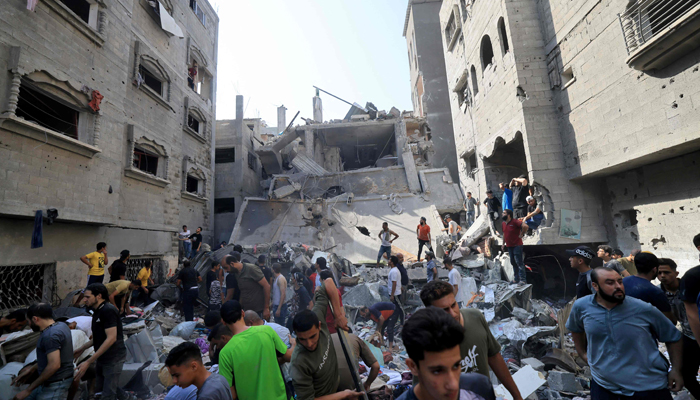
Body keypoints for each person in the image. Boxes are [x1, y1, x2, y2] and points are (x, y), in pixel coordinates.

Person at [566, 267, 683, 399]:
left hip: (647, 386)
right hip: (604, 385)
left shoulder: (643, 308)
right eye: (610, 283)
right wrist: (583, 354)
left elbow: (673, 337)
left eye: (620, 281)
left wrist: (676, 370)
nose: (618, 286)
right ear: (595, 286)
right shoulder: (582, 306)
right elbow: (575, 329)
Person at [419, 280, 522, 400]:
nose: (453, 314)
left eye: (453, 305)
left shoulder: (475, 317)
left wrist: (517, 396)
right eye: (444, 310)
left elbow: (494, 358)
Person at [397, 308, 497, 400]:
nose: (453, 385)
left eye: (456, 365)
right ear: (413, 366)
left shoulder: (480, 389)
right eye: (437, 371)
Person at [290, 275, 356, 400]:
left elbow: (329, 281)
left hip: (335, 388)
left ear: (319, 325)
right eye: (302, 339)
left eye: (312, 336)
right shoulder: (299, 362)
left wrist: (338, 316)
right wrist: (343, 395)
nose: (309, 344)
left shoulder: (317, 315)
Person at [218, 300, 292, 400]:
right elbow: (289, 356)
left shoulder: (225, 353)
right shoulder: (266, 331)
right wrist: (295, 344)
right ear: (243, 313)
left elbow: (232, 395)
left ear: (223, 321)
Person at [74, 283, 128, 400]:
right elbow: (99, 337)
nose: (84, 300)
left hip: (113, 358)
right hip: (102, 357)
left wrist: (88, 362)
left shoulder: (108, 310)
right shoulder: (97, 311)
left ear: (98, 296)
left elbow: (111, 338)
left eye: (87, 297)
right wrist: (81, 349)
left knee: (108, 394)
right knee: (101, 389)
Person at [11, 304, 73, 400]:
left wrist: (28, 390)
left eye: (28, 322)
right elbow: (52, 357)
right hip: (49, 382)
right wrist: (31, 369)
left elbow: (54, 365)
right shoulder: (61, 325)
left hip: (55, 384)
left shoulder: (50, 336)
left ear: (35, 319)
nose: (29, 325)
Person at [658, 258, 700, 399]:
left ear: (676, 273)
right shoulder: (658, 294)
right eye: (659, 273)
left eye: (666, 272)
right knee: (686, 375)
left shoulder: (691, 285)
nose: (662, 276)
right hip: (689, 336)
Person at [166, 341, 232, 400]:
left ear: (194, 366)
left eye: (177, 375)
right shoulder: (219, 378)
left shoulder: (206, 396)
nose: (174, 381)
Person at [622, 252, 676, 323]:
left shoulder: (622, 282)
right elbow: (669, 321)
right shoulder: (655, 291)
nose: (662, 276)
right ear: (654, 270)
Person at [228, 251, 271, 320]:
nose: (225, 271)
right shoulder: (237, 274)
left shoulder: (251, 269)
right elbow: (243, 291)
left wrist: (266, 308)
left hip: (259, 310)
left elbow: (267, 286)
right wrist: (240, 307)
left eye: (226, 268)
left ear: (232, 264)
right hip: (248, 311)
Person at [501, 209, 528, 284]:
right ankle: (516, 279)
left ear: (508, 215)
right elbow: (504, 234)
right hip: (509, 246)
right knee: (513, 262)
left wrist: (522, 234)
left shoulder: (515, 222)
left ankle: (523, 280)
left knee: (519, 262)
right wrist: (503, 244)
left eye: (504, 213)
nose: (502, 214)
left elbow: (525, 226)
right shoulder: (503, 223)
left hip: (517, 245)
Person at [387, 256, 404, 337]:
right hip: (395, 293)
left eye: (389, 260)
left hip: (395, 294)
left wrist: (392, 295)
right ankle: (396, 323)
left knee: (399, 309)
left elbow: (394, 283)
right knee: (396, 309)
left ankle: (402, 323)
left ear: (392, 262)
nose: (388, 261)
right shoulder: (394, 270)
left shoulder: (394, 271)